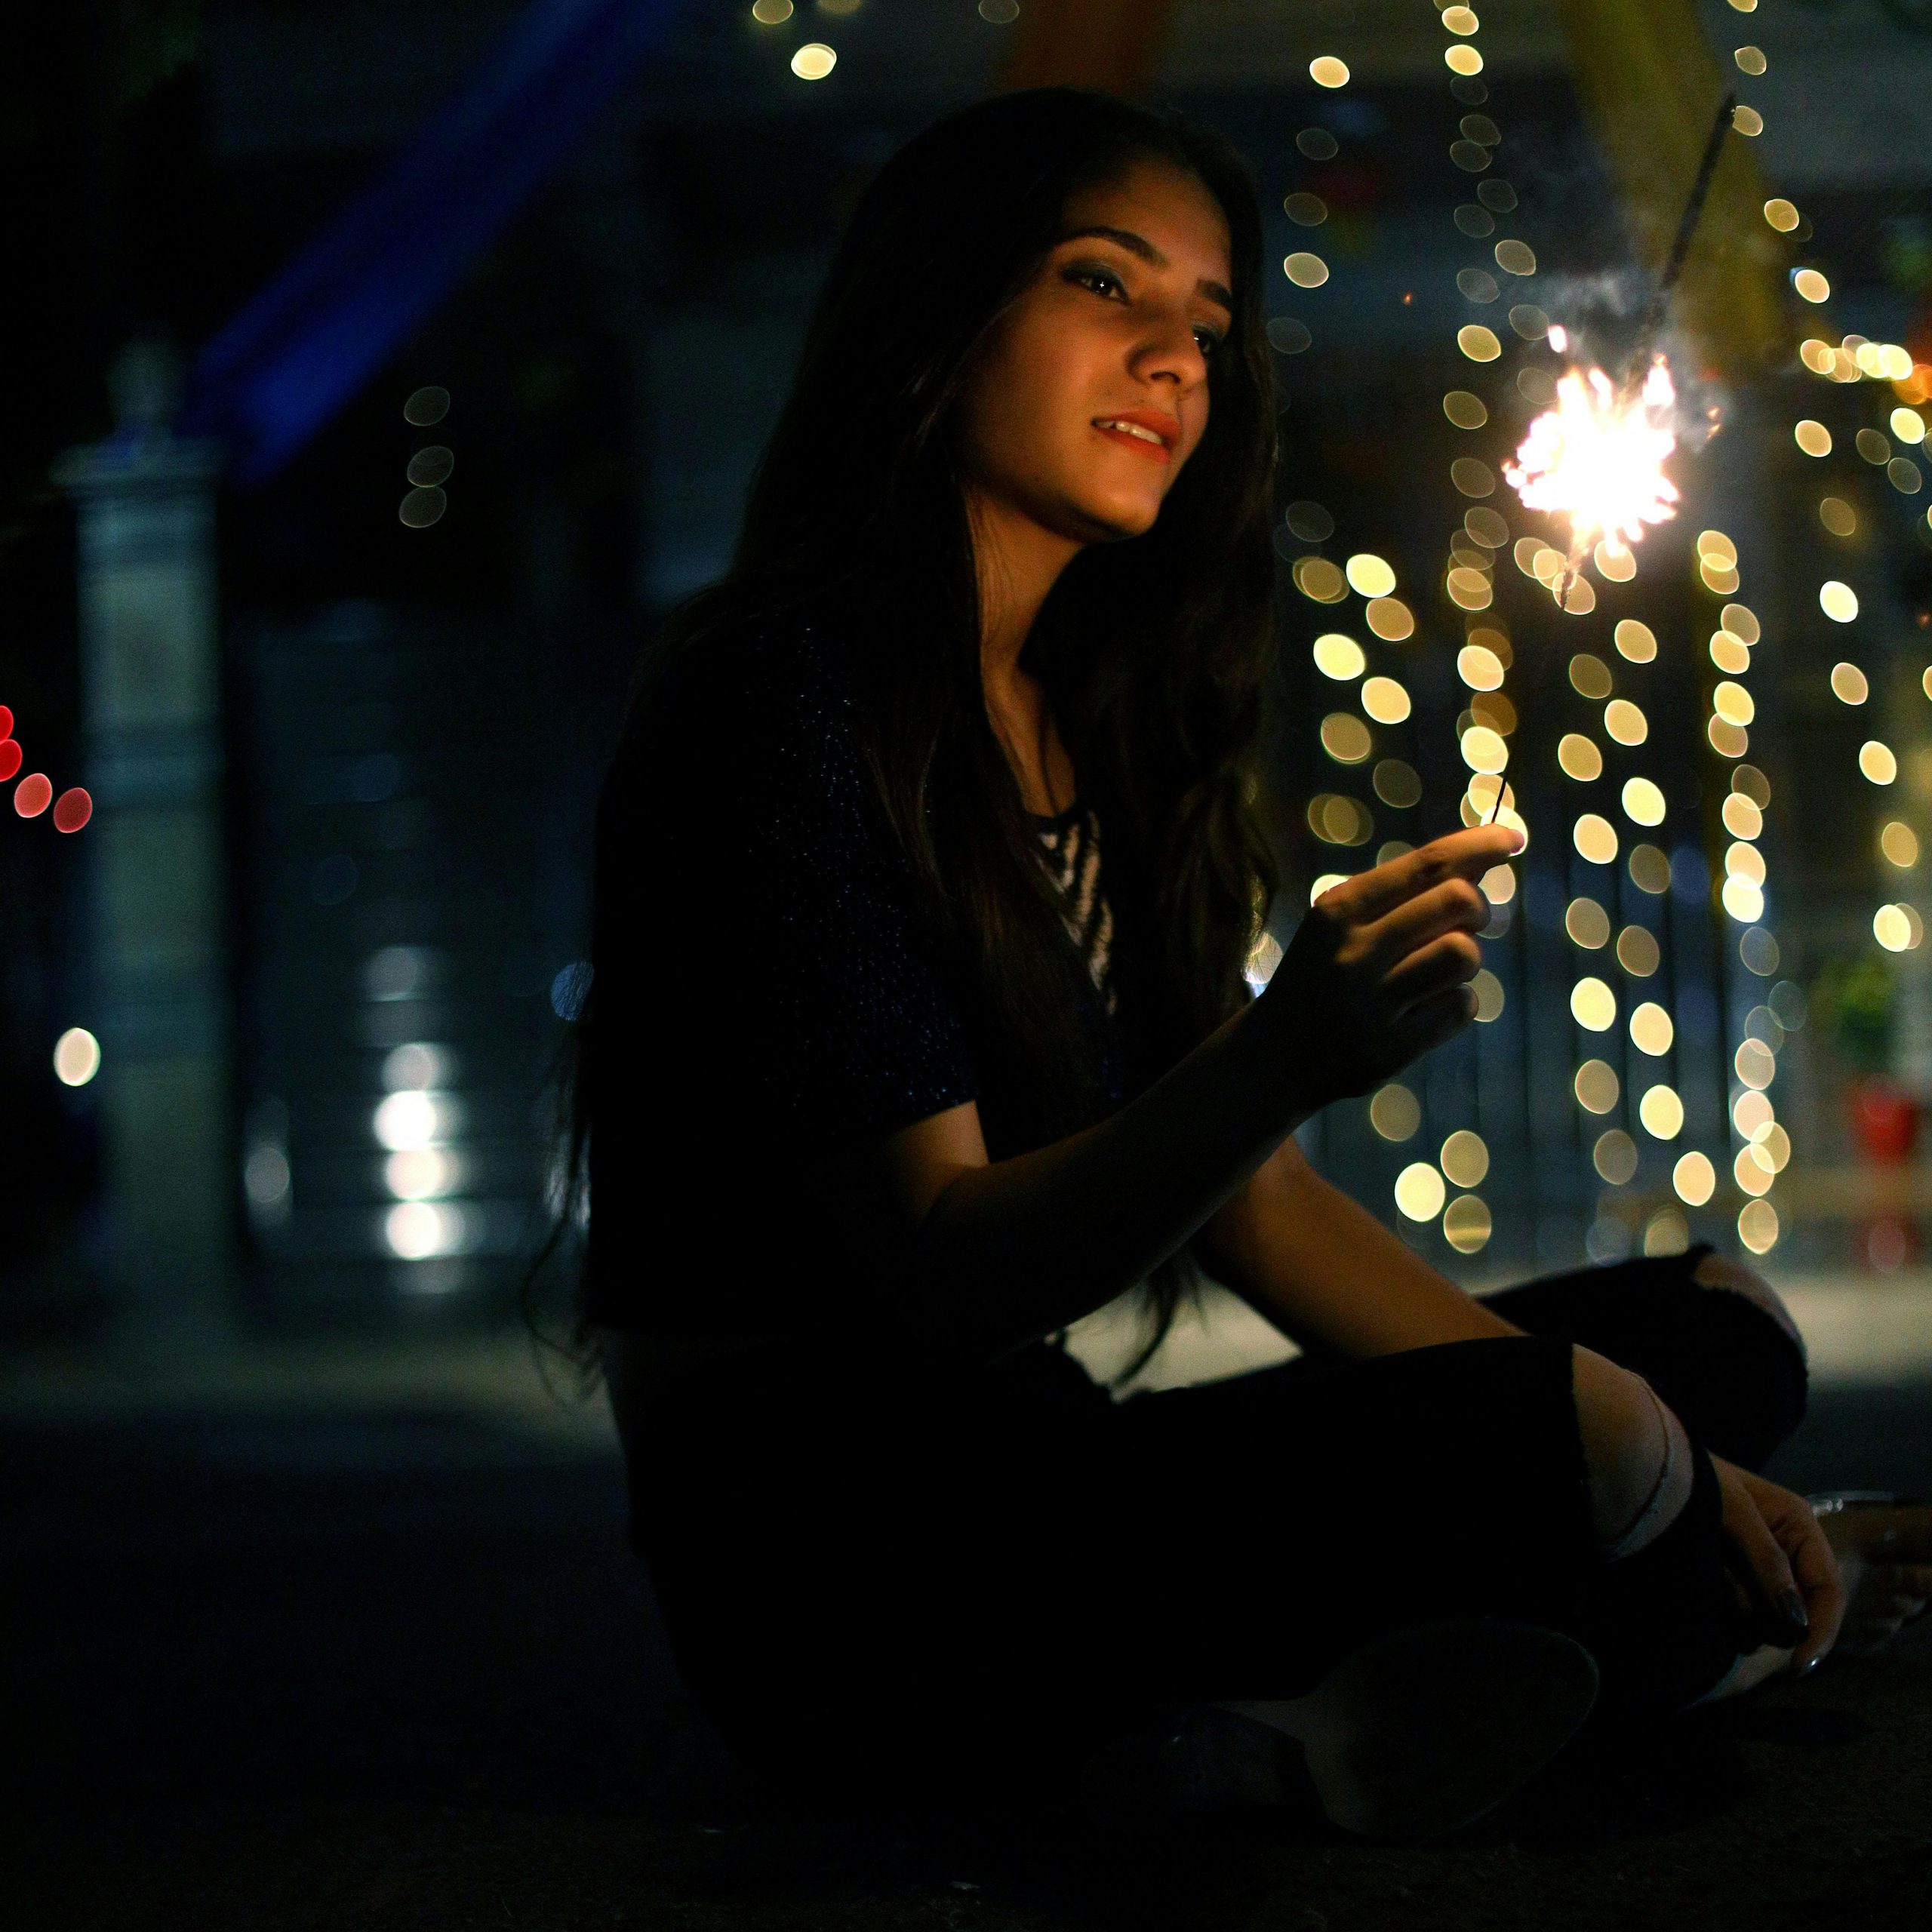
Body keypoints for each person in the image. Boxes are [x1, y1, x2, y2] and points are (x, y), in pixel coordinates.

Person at [561, 88, 1932, 1835]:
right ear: (935, 310)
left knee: (1711, 1341)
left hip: (1040, 1467)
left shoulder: (1089, 723)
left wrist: (1651, 1438)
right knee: (1598, 1448)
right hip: (846, 1556)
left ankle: (1306, 1717)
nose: (1171, 360)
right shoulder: (786, 702)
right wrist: (1284, 1056)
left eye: (1206, 325)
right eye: (1100, 285)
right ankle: (1389, 1706)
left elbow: (1259, 1214)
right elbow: (937, 1276)